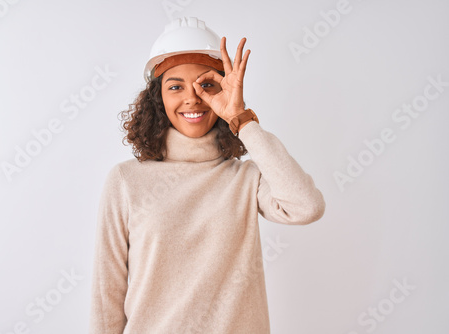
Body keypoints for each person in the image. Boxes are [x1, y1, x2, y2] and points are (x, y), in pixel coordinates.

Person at [89, 17, 325, 334]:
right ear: (158, 99)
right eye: (175, 87)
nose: (193, 98)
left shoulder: (247, 179)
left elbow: (306, 206)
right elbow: (107, 292)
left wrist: (242, 120)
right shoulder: (125, 181)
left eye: (207, 85)